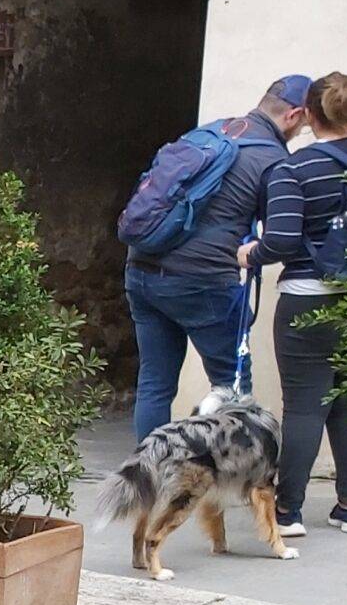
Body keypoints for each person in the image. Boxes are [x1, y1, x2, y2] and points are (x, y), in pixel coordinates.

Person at [126, 75, 310, 439]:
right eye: (303, 124)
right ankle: (237, 471)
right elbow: (280, 234)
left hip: (141, 268)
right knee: (233, 387)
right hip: (203, 282)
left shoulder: (211, 131)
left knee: (154, 384)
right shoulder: (273, 160)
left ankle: (148, 472)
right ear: (293, 115)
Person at [243, 71, 347, 533]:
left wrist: (250, 253)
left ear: (308, 114)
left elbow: (282, 241)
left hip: (308, 300)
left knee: (305, 406)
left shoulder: (293, 169)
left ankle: (288, 511)